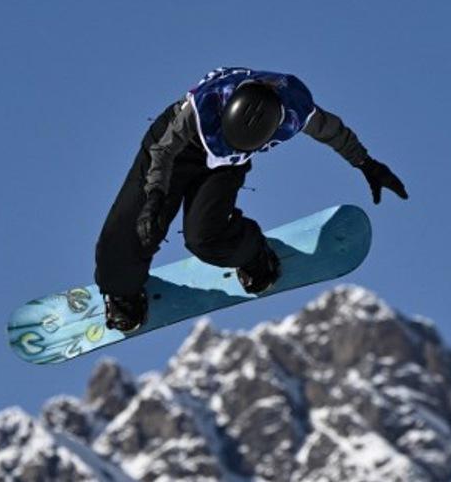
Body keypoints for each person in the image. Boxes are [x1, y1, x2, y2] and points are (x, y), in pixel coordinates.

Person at [94, 66, 408, 332]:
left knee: (205, 237)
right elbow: (162, 153)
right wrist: (153, 198)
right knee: (136, 228)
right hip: (178, 149)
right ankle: (122, 294)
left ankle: (253, 253)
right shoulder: (200, 108)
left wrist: (366, 163)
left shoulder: (294, 110)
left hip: (227, 166)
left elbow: (332, 131)